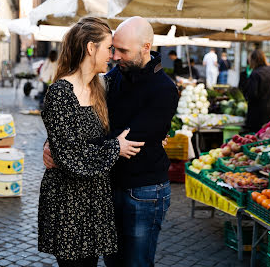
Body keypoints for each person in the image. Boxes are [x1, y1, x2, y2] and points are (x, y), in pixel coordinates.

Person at [44, 16, 179, 266]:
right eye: (113, 49)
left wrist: (73, 145)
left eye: (122, 51)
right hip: (104, 186)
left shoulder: (164, 88)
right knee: (114, 262)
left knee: (135, 263)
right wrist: (55, 142)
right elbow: (79, 117)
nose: (115, 56)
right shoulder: (111, 78)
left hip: (143, 190)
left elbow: (131, 138)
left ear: (146, 47)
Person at [243, 50, 270, 132]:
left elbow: (252, 94)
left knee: (257, 138)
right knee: (268, 136)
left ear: (253, 60)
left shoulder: (255, 74)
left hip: (258, 114)